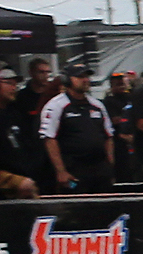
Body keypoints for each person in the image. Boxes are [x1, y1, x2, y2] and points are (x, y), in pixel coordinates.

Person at [40, 65, 114, 192]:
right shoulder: (56, 105)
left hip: (100, 170)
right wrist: (61, 171)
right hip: (74, 170)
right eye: (80, 77)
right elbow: (49, 139)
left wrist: (110, 167)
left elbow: (108, 137)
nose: (85, 80)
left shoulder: (97, 105)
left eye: (87, 77)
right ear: (67, 80)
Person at [0, 68, 36, 196]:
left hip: (23, 184)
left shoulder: (15, 113)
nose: (14, 87)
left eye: (15, 84)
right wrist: (13, 181)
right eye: (9, 83)